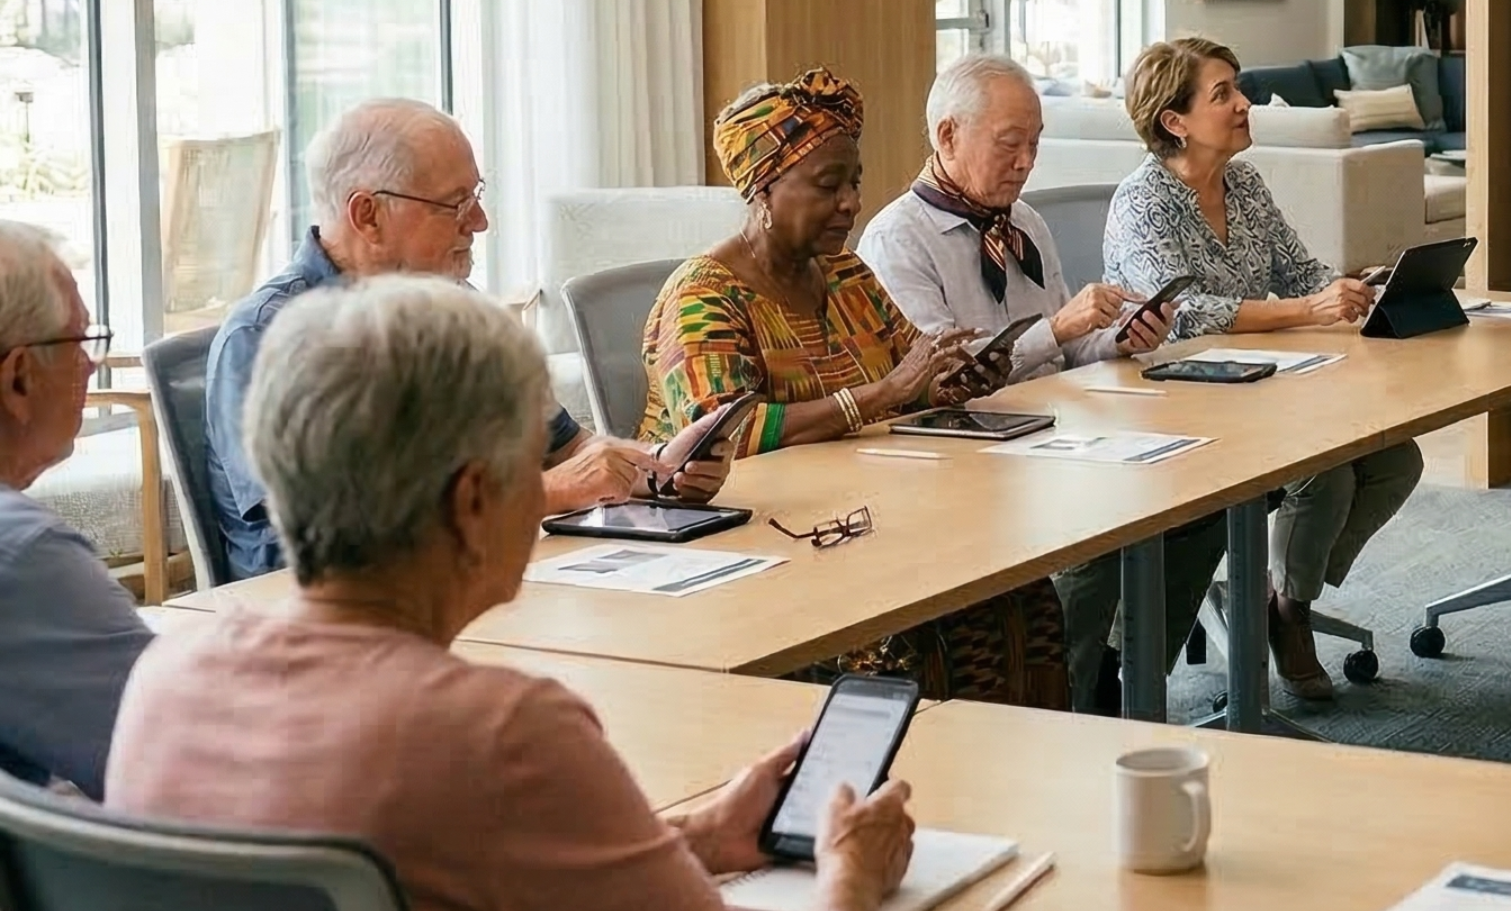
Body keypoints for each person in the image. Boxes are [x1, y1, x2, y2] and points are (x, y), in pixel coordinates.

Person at [107, 278, 916, 911]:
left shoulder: (163, 681)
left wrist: (697, 834)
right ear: (471, 502)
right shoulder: (504, 733)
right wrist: (850, 876)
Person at [644, 69, 1068, 708]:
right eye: (827, 186)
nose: (849, 203)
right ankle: (898, 788)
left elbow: (911, 374)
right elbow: (727, 434)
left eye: (854, 183)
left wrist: (952, 384)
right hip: (754, 546)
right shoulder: (704, 296)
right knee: (912, 634)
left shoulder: (844, 275)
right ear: (763, 189)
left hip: (856, 518)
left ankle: (998, 787)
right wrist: (876, 395)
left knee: (1018, 593)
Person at [202, 99, 722, 583]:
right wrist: (546, 492)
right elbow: (331, 538)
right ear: (368, 215)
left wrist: (657, 468)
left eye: (477, 195)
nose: (480, 221)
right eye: (454, 203)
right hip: (323, 629)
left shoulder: (459, 306)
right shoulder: (266, 338)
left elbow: (565, 447)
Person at [859, 54, 1225, 713]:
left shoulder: (1024, 223)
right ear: (947, 136)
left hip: (1059, 433)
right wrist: (1058, 327)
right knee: (1097, 538)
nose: (1027, 161)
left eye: (1035, 144)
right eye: (1010, 144)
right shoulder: (897, 241)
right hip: (973, 461)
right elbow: (948, 378)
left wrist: (1117, 336)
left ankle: (1123, 671)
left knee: (1202, 502)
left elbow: (1068, 353)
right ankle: (1073, 694)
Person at [1103, 37, 1420, 702]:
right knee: (1324, 469)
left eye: (1237, 87)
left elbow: (1299, 272)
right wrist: (1307, 307)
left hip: (1255, 385)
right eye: (1224, 93)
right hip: (1172, 400)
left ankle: (1281, 595)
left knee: (1397, 458)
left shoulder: (1243, 183)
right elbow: (1184, 314)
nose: (1245, 103)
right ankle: (1291, 615)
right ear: (1174, 120)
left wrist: (1354, 288)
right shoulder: (1143, 202)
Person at [0, 223, 149, 798]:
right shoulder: (26, 558)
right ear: (17, 377)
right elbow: (181, 759)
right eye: (79, 342)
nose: (91, 367)